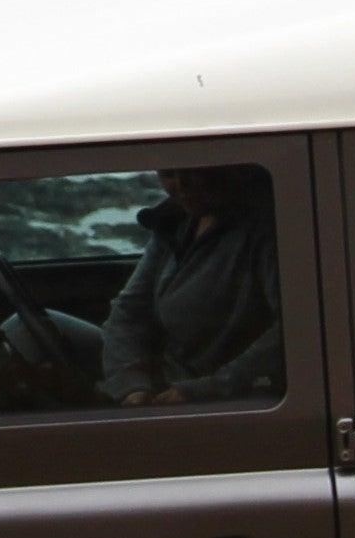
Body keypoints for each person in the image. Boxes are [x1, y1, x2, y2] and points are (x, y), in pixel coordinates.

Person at [100, 166, 283, 404]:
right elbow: (131, 310)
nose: (181, 184)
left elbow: (296, 331)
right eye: (168, 174)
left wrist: (206, 390)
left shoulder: (268, 227)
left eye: (192, 171)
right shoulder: (176, 222)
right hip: (164, 389)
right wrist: (132, 386)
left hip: (226, 406)